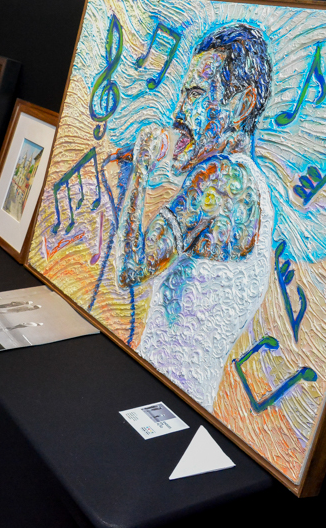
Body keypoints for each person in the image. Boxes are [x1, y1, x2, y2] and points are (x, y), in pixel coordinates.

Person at [113, 23, 275, 410]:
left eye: (196, 94)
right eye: (184, 94)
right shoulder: (256, 190)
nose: (179, 111)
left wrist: (140, 171)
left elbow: (130, 270)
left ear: (242, 104)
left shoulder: (219, 179)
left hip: (161, 394)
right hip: (189, 400)